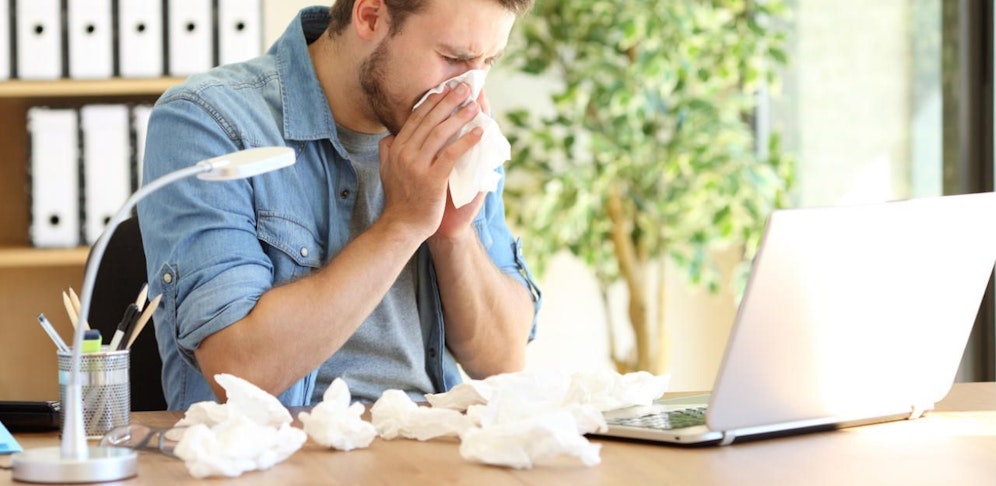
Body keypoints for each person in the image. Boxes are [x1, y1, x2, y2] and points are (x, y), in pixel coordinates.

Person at [137, 0, 542, 410]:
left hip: (430, 447)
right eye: (453, 58)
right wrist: (403, 224)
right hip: (282, 458)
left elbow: (504, 362)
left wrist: (453, 235)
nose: (466, 91)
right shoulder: (208, 121)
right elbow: (238, 371)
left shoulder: (458, 131)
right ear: (369, 16)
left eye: (487, 61)